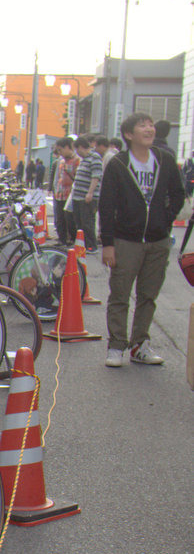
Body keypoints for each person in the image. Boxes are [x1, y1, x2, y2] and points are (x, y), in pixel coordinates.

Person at [99, 111, 186, 367]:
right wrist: (108, 243)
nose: (149, 129)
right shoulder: (118, 164)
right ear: (129, 134)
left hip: (158, 240)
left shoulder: (165, 160)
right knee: (120, 295)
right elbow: (106, 205)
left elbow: (178, 194)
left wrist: (165, 219)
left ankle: (140, 345)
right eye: (142, 126)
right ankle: (116, 346)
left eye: (150, 125)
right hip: (126, 240)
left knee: (148, 296)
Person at [69, 135, 102, 250]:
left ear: (82, 147)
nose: (77, 152)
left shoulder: (95, 157)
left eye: (77, 149)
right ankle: (81, 244)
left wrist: (90, 193)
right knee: (79, 223)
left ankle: (91, 245)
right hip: (78, 196)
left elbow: (96, 176)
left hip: (86, 197)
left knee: (87, 223)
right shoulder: (84, 159)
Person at [52, 137, 79, 247]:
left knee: (70, 219)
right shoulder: (61, 161)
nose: (60, 153)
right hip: (59, 193)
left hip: (70, 194)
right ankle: (61, 239)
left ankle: (71, 239)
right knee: (59, 218)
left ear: (68, 147)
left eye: (61, 150)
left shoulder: (77, 160)